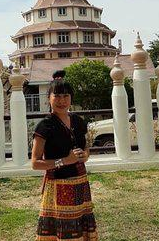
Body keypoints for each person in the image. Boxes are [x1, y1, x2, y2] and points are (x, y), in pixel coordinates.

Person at [31, 70, 98, 241]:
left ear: (71, 98)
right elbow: (36, 163)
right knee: (61, 230)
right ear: (49, 98)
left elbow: (86, 149)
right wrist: (65, 161)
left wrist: (84, 156)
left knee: (80, 228)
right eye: (57, 96)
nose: (62, 101)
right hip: (58, 184)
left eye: (66, 96)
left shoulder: (78, 121)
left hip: (80, 182)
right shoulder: (44, 126)